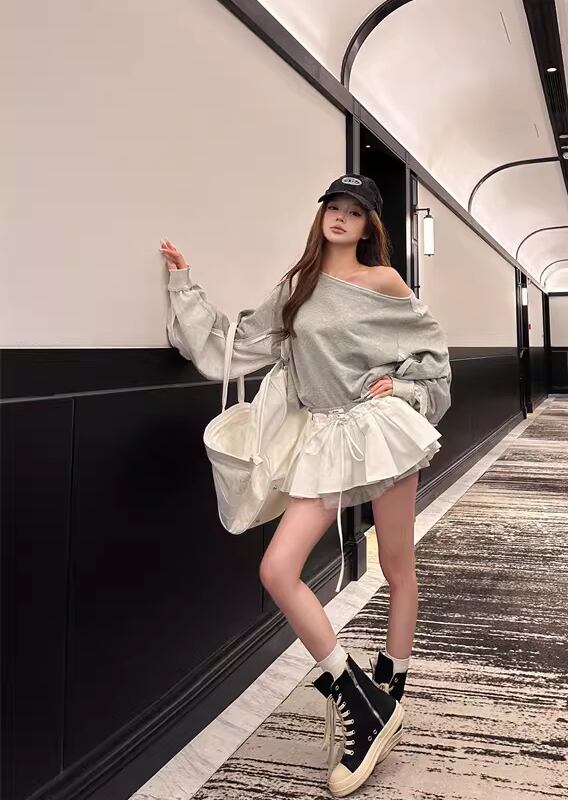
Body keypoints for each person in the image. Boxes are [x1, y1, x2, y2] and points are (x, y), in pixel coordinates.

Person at [159, 174, 452, 797]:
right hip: (323, 439)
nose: (340, 218)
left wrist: (401, 388)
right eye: (333, 208)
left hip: (378, 429)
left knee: (397, 566)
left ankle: (391, 691)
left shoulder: (385, 283)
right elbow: (232, 345)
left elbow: (433, 362)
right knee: (277, 569)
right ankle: (361, 701)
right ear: (321, 217)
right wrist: (184, 284)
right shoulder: (297, 287)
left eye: (354, 212)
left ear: (370, 226)